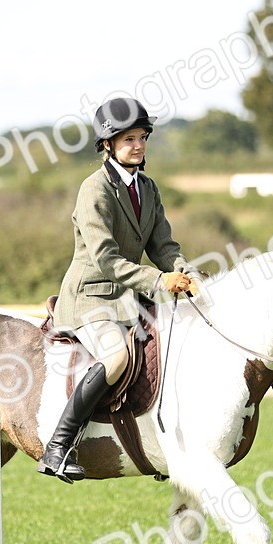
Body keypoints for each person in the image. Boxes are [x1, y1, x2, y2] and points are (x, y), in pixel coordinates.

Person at [37, 97, 196, 482]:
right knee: (117, 358)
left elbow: (163, 246)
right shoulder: (94, 190)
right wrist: (160, 281)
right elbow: (106, 258)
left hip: (130, 299)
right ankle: (58, 446)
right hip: (90, 297)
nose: (138, 146)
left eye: (142, 137)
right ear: (108, 144)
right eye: (128, 139)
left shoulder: (149, 188)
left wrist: (185, 273)